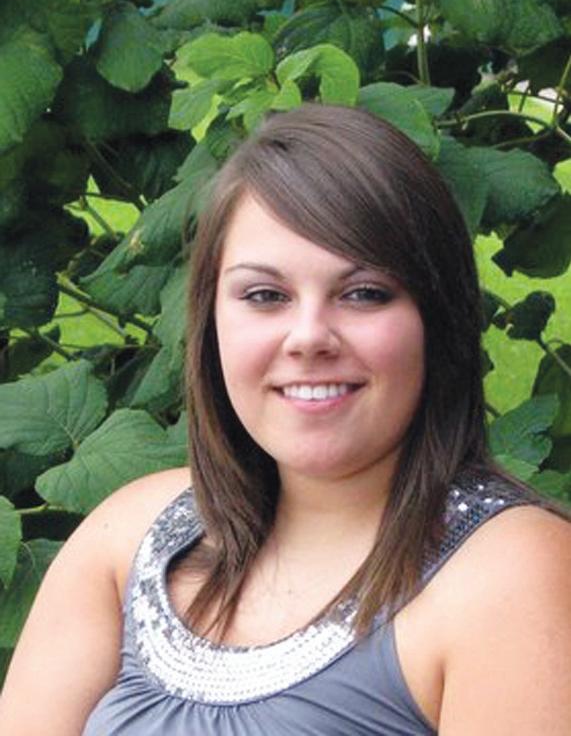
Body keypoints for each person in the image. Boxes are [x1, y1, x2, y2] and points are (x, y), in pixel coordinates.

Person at [1, 103, 570, 735]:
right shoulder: (127, 535)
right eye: (265, 296)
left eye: (364, 293)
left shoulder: (511, 573)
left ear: (439, 319)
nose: (308, 337)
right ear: (211, 320)